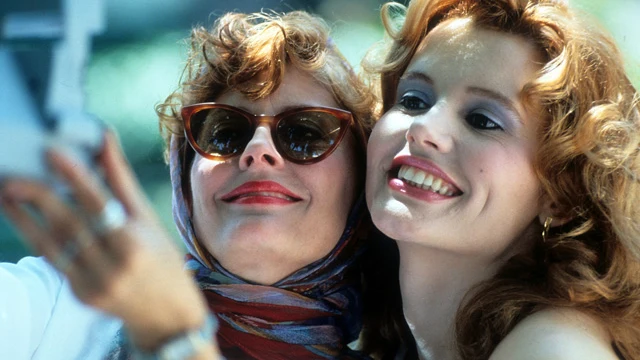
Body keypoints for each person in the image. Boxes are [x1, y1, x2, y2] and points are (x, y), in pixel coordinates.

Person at [0, 10, 407, 360]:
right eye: (225, 131)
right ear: (185, 180)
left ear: (360, 184)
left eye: (305, 132)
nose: (258, 150)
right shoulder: (67, 305)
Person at [364, 0, 640, 359]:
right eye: (414, 99)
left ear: (562, 198)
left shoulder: (552, 348)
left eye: (482, 120)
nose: (423, 127)